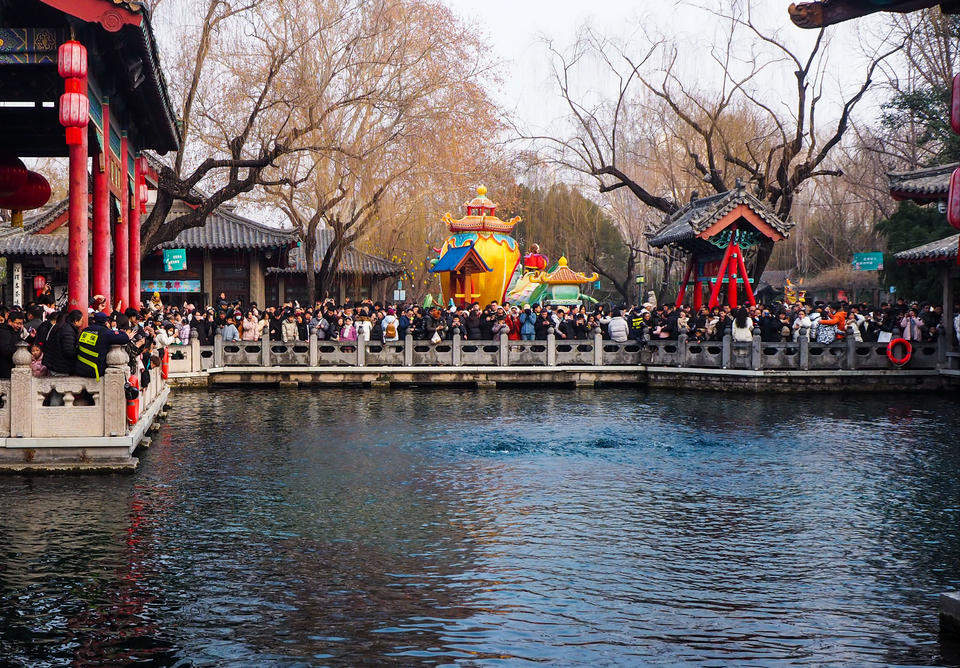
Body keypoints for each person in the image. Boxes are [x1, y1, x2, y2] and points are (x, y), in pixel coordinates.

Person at [75, 311, 130, 380]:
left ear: (94, 320)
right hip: (94, 370)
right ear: (106, 322)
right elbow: (125, 338)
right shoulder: (106, 333)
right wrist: (121, 332)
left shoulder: (85, 330)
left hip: (79, 368)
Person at [43, 309, 82, 376]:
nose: (82, 322)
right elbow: (68, 351)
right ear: (76, 321)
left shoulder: (61, 326)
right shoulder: (68, 331)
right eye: (81, 320)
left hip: (54, 364)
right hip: (60, 367)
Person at [0, 311, 25, 379]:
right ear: (10, 321)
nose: (19, 326)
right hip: (4, 368)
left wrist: (30, 338)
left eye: (21, 324)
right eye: (17, 323)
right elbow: (6, 350)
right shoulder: (4, 332)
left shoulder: (14, 331)